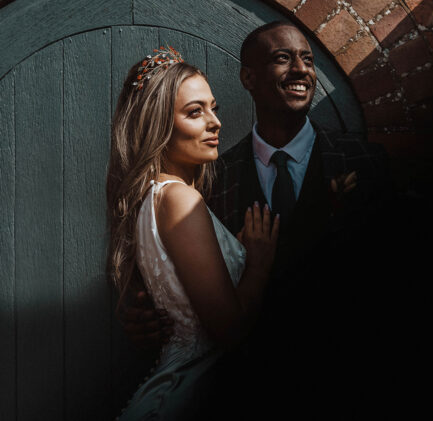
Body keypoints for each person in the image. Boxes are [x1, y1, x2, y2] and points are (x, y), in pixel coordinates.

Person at [122, 22, 391, 419]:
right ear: (248, 78)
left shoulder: (364, 162)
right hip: (239, 393)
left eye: (308, 59)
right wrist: (145, 312)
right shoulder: (211, 181)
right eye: (283, 58)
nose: (301, 70)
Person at [106, 46, 279, 419]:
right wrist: (259, 265)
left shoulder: (152, 197)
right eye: (195, 112)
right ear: (158, 125)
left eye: (213, 108)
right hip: (189, 394)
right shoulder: (181, 199)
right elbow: (229, 332)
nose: (215, 122)